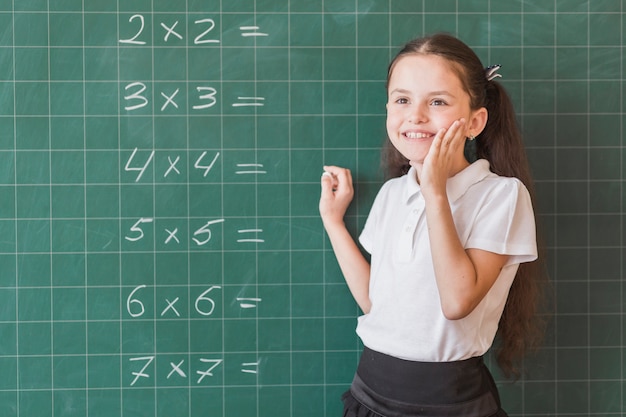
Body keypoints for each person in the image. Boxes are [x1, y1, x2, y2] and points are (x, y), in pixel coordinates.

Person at [319, 33, 546, 416]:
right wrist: (333, 222)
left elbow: (457, 301)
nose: (416, 116)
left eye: (437, 101)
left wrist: (435, 194)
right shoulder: (393, 193)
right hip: (369, 394)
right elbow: (376, 301)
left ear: (475, 121)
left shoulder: (502, 196)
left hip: (449, 402)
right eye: (402, 100)